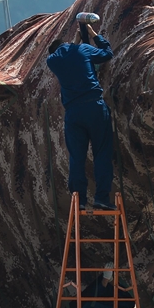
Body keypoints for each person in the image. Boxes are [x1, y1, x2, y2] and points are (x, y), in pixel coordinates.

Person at [46, 15, 115, 210]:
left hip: (73, 113)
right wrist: (93, 35)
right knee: (102, 153)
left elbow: (69, 52)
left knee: (77, 157)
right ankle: (101, 198)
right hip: (94, 107)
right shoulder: (84, 49)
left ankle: (80, 200)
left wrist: (76, 40)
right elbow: (107, 53)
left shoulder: (53, 60)